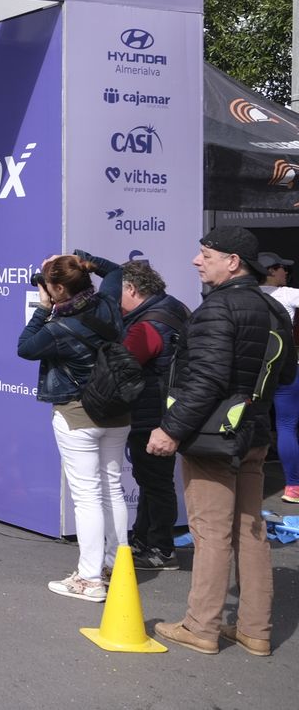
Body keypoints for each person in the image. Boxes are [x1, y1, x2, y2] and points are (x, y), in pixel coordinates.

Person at [147, 228, 294, 656]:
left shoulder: (218, 308)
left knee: (210, 533)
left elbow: (206, 379)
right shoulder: (275, 308)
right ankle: (254, 629)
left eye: (206, 254)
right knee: (251, 530)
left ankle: (201, 626)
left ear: (233, 262)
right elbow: (284, 375)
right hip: (253, 433)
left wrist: (171, 428)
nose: (197, 260)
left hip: (211, 436)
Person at [16, 252, 128, 603]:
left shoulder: (57, 327)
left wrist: (42, 307)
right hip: (118, 411)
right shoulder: (108, 302)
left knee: (88, 497)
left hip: (78, 413)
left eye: (48, 285)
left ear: (59, 288)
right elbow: (116, 270)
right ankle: (116, 566)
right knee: (112, 487)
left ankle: (90, 579)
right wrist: (83, 258)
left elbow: (24, 348)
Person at [81, 252, 189, 570]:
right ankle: (145, 541)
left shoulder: (146, 326)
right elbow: (120, 274)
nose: (114, 301)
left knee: (155, 482)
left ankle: (160, 548)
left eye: (118, 294)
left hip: (150, 414)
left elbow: (122, 367)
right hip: (164, 410)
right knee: (150, 480)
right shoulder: (172, 306)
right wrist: (88, 260)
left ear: (131, 290)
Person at [256, 251, 299, 504]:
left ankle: (243, 483)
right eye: (283, 268)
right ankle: (293, 487)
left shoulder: (243, 293)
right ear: (270, 271)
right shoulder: (289, 294)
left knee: (245, 423)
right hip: (285, 367)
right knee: (286, 426)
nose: (286, 272)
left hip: (253, 369)